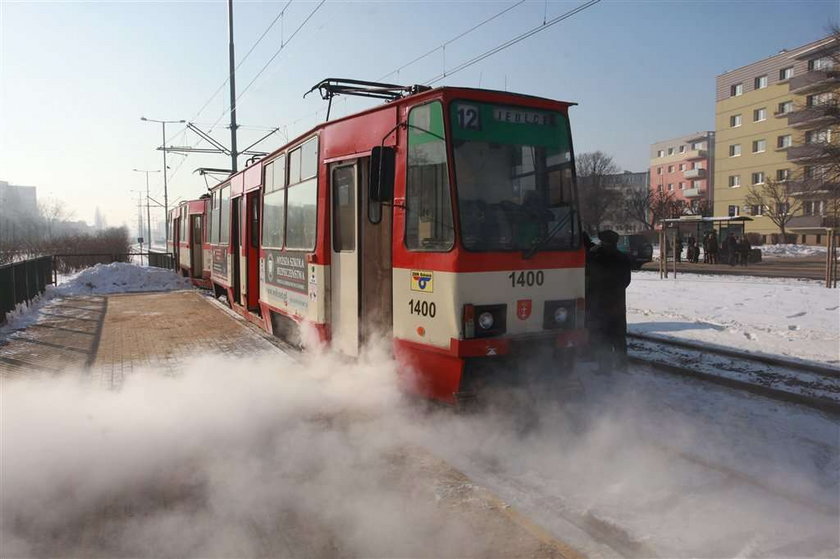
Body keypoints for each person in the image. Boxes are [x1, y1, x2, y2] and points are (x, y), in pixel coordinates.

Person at [587, 230, 632, 373]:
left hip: (600, 303)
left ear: (603, 241)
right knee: (619, 336)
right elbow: (626, 281)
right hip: (618, 302)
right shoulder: (623, 258)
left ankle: (604, 367)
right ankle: (622, 365)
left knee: (603, 335)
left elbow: (589, 278)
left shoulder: (596, 257)